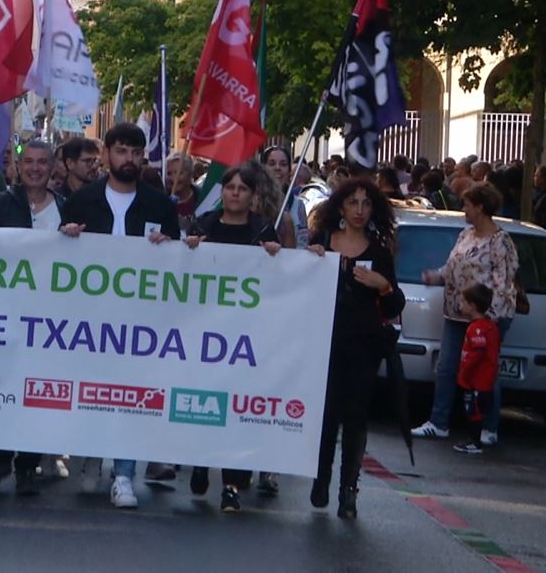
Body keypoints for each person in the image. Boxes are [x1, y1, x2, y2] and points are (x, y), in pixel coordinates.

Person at [59, 123, 180, 509]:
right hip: (89, 321)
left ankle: (124, 473)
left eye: (135, 152)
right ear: (107, 154)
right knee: (92, 391)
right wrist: (67, 236)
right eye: (121, 151)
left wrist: (169, 246)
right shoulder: (82, 201)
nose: (128, 158)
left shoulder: (160, 205)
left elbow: (179, 264)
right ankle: (92, 456)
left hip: (140, 322)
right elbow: (58, 257)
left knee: (129, 396)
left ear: (143, 156)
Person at [184, 165, 284, 512]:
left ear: (253, 195)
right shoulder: (204, 226)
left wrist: (276, 255)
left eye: (243, 188)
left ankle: (232, 485)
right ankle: (199, 461)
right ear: (222, 192)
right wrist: (190, 247)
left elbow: (283, 279)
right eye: (231, 188)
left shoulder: (263, 231)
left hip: (245, 339)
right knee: (205, 404)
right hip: (206, 337)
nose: (236, 193)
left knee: (237, 412)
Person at [305, 178, 405, 519]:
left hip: (363, 346)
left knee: (356, 417)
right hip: (324, 342)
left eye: (366, 204)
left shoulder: (378, 251)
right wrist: (311, 260)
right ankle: (321, 478)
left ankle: (349, 488)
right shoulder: (322, 243)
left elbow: (394, 307)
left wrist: (384, 287)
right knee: (326, 414)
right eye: (353, 203)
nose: (360, 210)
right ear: (341, 208)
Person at [0, 140, 67, 496]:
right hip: (6, 316)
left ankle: (27, 465)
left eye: (42, 162)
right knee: (1, 389)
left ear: (52, 167)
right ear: (17, 166)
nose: (34, 168)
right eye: (28, 161)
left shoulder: (66, 207)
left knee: (36, 396)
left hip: (50, 322)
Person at [413, 184, 518, 445]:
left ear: (480, 207)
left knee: (485, 371)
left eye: (467, 205)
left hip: (484, 318)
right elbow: (451, 268)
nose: (464, 210)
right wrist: (434, 277)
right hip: (456, 314)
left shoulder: (500, 242)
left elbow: (503, 283)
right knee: (447, 368)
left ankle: (488, 427)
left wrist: (487, 317)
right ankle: (439, 422)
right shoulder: (465, 235)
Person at [451, 283, 502, 455]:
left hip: (476, 381)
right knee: (475, 411)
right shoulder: (489, 327)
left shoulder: (477, 329)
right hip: (483, 380)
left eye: (464, 302)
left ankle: (475, 442)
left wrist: (464, 374)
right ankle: (474, 440)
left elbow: (476, 354)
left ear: (472, 306)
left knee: (474, 412)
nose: (461, 305)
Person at [262, 145, 309, 248]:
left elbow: (302, 245)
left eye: (283, 164)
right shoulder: (253, 202)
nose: (277, 168)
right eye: (272, 164)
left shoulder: (298, 205)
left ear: (289, 171)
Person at [166, 153, 197, 234]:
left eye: (179, 173)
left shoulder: (202, 199)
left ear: (190, 174)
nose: (173, 178)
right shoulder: (160, 201)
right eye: (169, 173)